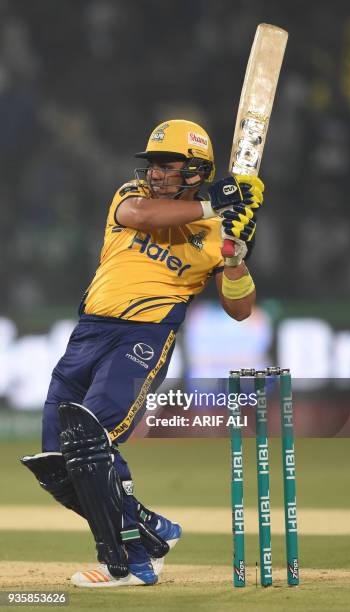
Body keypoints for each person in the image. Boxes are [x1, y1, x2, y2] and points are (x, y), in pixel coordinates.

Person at [21, 119, 264, 587]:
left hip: (144, 337)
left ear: (196, 170)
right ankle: (151, 532)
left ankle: (126, 564)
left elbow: (240, 308)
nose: (156, 174)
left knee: (90, 441)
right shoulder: (130, 196)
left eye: (168, 166)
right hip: (87, 333)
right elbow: (140, 217)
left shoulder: (217, 231)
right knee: (55, 462)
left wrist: (233, 256)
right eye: (153, 166)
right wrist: (214, 202)